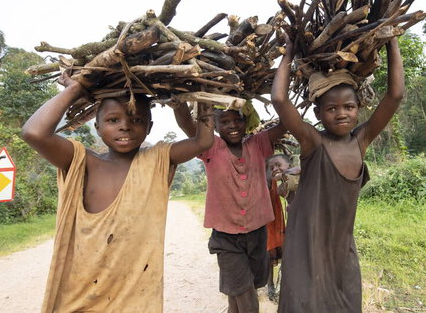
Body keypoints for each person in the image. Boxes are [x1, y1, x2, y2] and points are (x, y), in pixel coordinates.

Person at [21, 73, 214, 313]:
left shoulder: (157, 159)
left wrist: (198, 94)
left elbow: (203, 141)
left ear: (149, 127)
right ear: (97, 127)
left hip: (135, 293)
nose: (125, 125)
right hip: (81, 291)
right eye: (113, 120)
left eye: (137, 119)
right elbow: (34, 133)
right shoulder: (82, 161)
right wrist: (75, 89)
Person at [271, 36, 405, 312]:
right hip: (305, 246)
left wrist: (392, 42)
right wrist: (289, 53)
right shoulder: (313, 142)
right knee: (302, 304)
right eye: (331, 109)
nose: (341, 114)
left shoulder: (361, 140)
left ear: (359, 109)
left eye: (349, 107)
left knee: (346, 304)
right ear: (318, 113)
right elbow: (279, 99)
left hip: (341, 248)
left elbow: (395, 95)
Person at [173, 103, 287, 313]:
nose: (233, 125)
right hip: (226, 238)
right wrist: (181, 104)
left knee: (243, 289)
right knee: (246, 296)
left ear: (246, 121)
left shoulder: (259, 144)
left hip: (257, 234)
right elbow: (188, 125)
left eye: (238, 119)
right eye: (224, 122)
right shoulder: (210, 146)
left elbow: (287, 122)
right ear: (214, 126)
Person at [264, 154, 289, 301]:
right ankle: (270, 285)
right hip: (265, 218)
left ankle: (284, 284)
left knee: (283, 249)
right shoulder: (265, 175)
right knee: (268, 250)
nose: (275, 169)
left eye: (278, 165)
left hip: (277, 216)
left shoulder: (283, 176)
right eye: (272, 167)